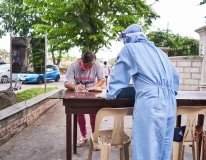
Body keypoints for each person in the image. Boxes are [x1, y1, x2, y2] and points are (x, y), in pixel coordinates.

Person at [106, 24, 179, 160]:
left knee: (147, 148)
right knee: (164, 146)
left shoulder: (130, 48)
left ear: (127, 38)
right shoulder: (160, 52)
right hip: (170, 103)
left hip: (150, 101)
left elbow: (119, 77)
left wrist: (110, 93)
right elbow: (175, 76)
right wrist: (168, 92)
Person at [64, 51, 105, 147]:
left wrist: (94, 87)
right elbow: (66, 83)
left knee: (94, 113)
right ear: (81, 60)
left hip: (92, 92)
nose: (88, 68)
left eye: (91, 66)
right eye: (86, 66)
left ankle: (95, 137)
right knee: (79, 114)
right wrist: (75, 87)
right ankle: (84, 136)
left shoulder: (97, 64)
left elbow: (102, 79)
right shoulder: (73, 66)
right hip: (78, 93)